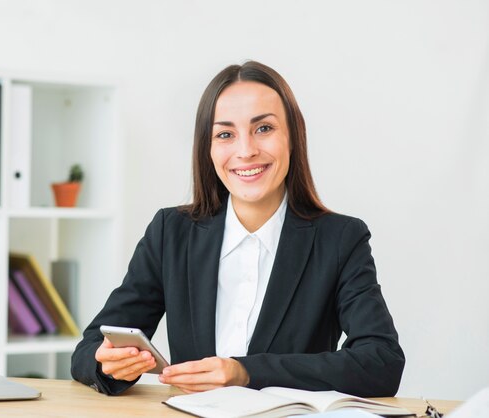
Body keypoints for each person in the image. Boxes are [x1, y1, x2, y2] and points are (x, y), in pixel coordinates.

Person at [71, 61, 405, 397]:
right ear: (209, 149)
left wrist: (245, 372)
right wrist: (110, 364)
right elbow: (89, 350)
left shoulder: (340, 240)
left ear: (292, 137)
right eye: (225, 134)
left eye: (263, 129)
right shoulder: (170, 233)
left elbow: (381, 362)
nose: (245, 151)